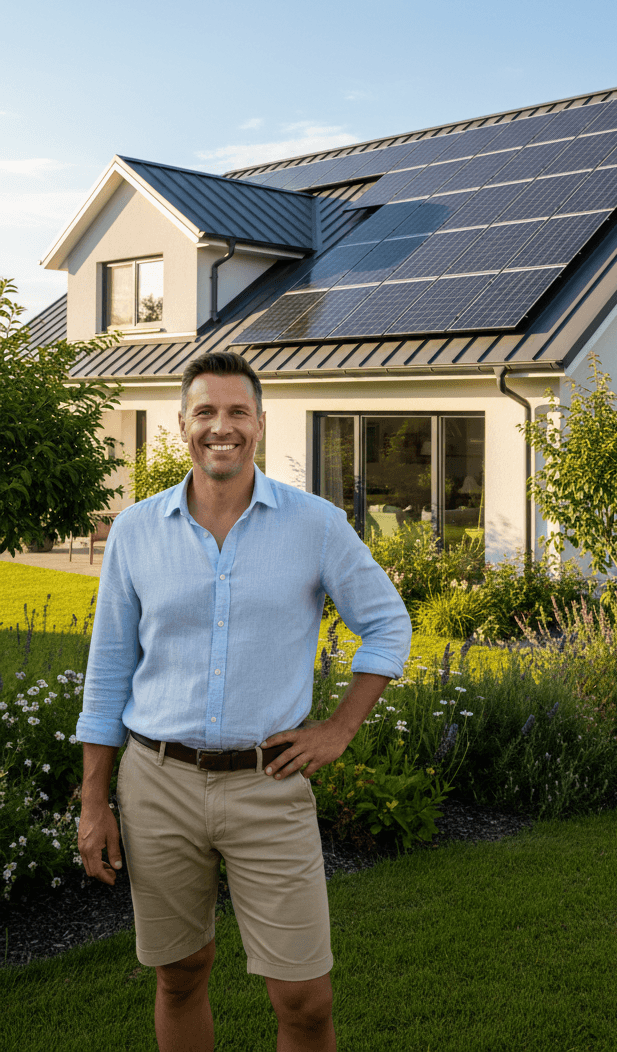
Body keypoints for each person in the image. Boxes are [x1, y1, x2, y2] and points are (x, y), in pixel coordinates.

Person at [76, 351, 411, 1052]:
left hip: (269, 784)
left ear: (260, 423)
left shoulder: (315, 525)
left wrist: (339, 729)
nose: (220, 427)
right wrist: (93, 802)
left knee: (306, 1001)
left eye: (237, 412)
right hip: (157, 784)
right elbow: (108, 671)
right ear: (182, 425)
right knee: (180, 974)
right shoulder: (136, 531)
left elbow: (387, 623)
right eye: (205, 412)